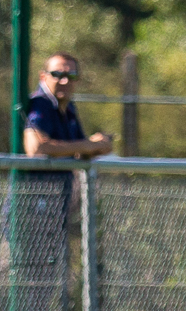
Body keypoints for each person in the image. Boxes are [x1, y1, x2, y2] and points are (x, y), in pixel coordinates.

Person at [10, 53, 113, 310]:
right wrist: (89, 145)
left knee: (43, 285)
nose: (65, 80)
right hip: (30, 212)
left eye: (71, 75)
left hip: (54, 211)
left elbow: (76, 150)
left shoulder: (68, 108)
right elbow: (37, 148)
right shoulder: (41, 104)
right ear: (43, 76)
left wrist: (97, 145)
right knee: (16, 278)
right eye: (58, 74)